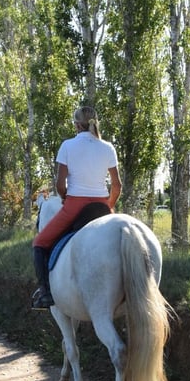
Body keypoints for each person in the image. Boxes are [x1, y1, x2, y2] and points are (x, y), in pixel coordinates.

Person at [31, 106, 122, 309]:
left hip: (75, 204)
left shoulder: (67, 146)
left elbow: (60, 185)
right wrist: (109, 206)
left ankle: (45, 293)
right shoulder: (108, 147)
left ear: (76, 124)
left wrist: (65, 198)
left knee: (39, 243)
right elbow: (117, 186)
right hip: (102, 206)